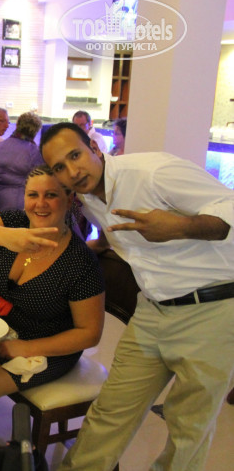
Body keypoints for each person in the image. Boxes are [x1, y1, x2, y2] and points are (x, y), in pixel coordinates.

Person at [40, 123, 234, 471]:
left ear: (95, 148)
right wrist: (96, 246)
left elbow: (230, 208)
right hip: (151, 311)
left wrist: (179, 227)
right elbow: (118, 232)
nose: (72, 171)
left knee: (188, 426)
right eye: (60, 167)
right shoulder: (88, 196)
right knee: (110, 410)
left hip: (211, 309)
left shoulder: (153, 172)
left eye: (75, 155)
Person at [0, 164, 105, 450]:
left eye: (51, 195)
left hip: (44, 344)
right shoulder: (14, 221)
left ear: (70, 199)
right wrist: (5, 236)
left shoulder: (79, 262)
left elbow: (89, 333)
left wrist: (25, 348)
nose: (40, 204)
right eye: (33, 195)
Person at [0, 111, 45, 211]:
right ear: (35, 131)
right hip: (17, 206)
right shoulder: (33, 152)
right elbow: (43, 176)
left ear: (17, 125)